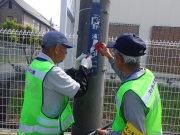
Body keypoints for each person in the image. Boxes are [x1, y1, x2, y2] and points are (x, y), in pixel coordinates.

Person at [18, 31, 92, 135]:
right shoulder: (53, 72)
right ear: (57, 49)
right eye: (65, 48)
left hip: (29, 126)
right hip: (45, 131)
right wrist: (84, 69)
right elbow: (79, 91)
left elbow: (55, 80)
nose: (66, 52)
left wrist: (75, 69)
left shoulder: (35, 65)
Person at [97, 33, 162, 135]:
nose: (114, 57)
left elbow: (136, 133)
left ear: (120, 59)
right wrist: (109, 56)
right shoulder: (147, 75)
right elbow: (123, 72)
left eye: (115, 55)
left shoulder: (131, 94)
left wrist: (107, 134)